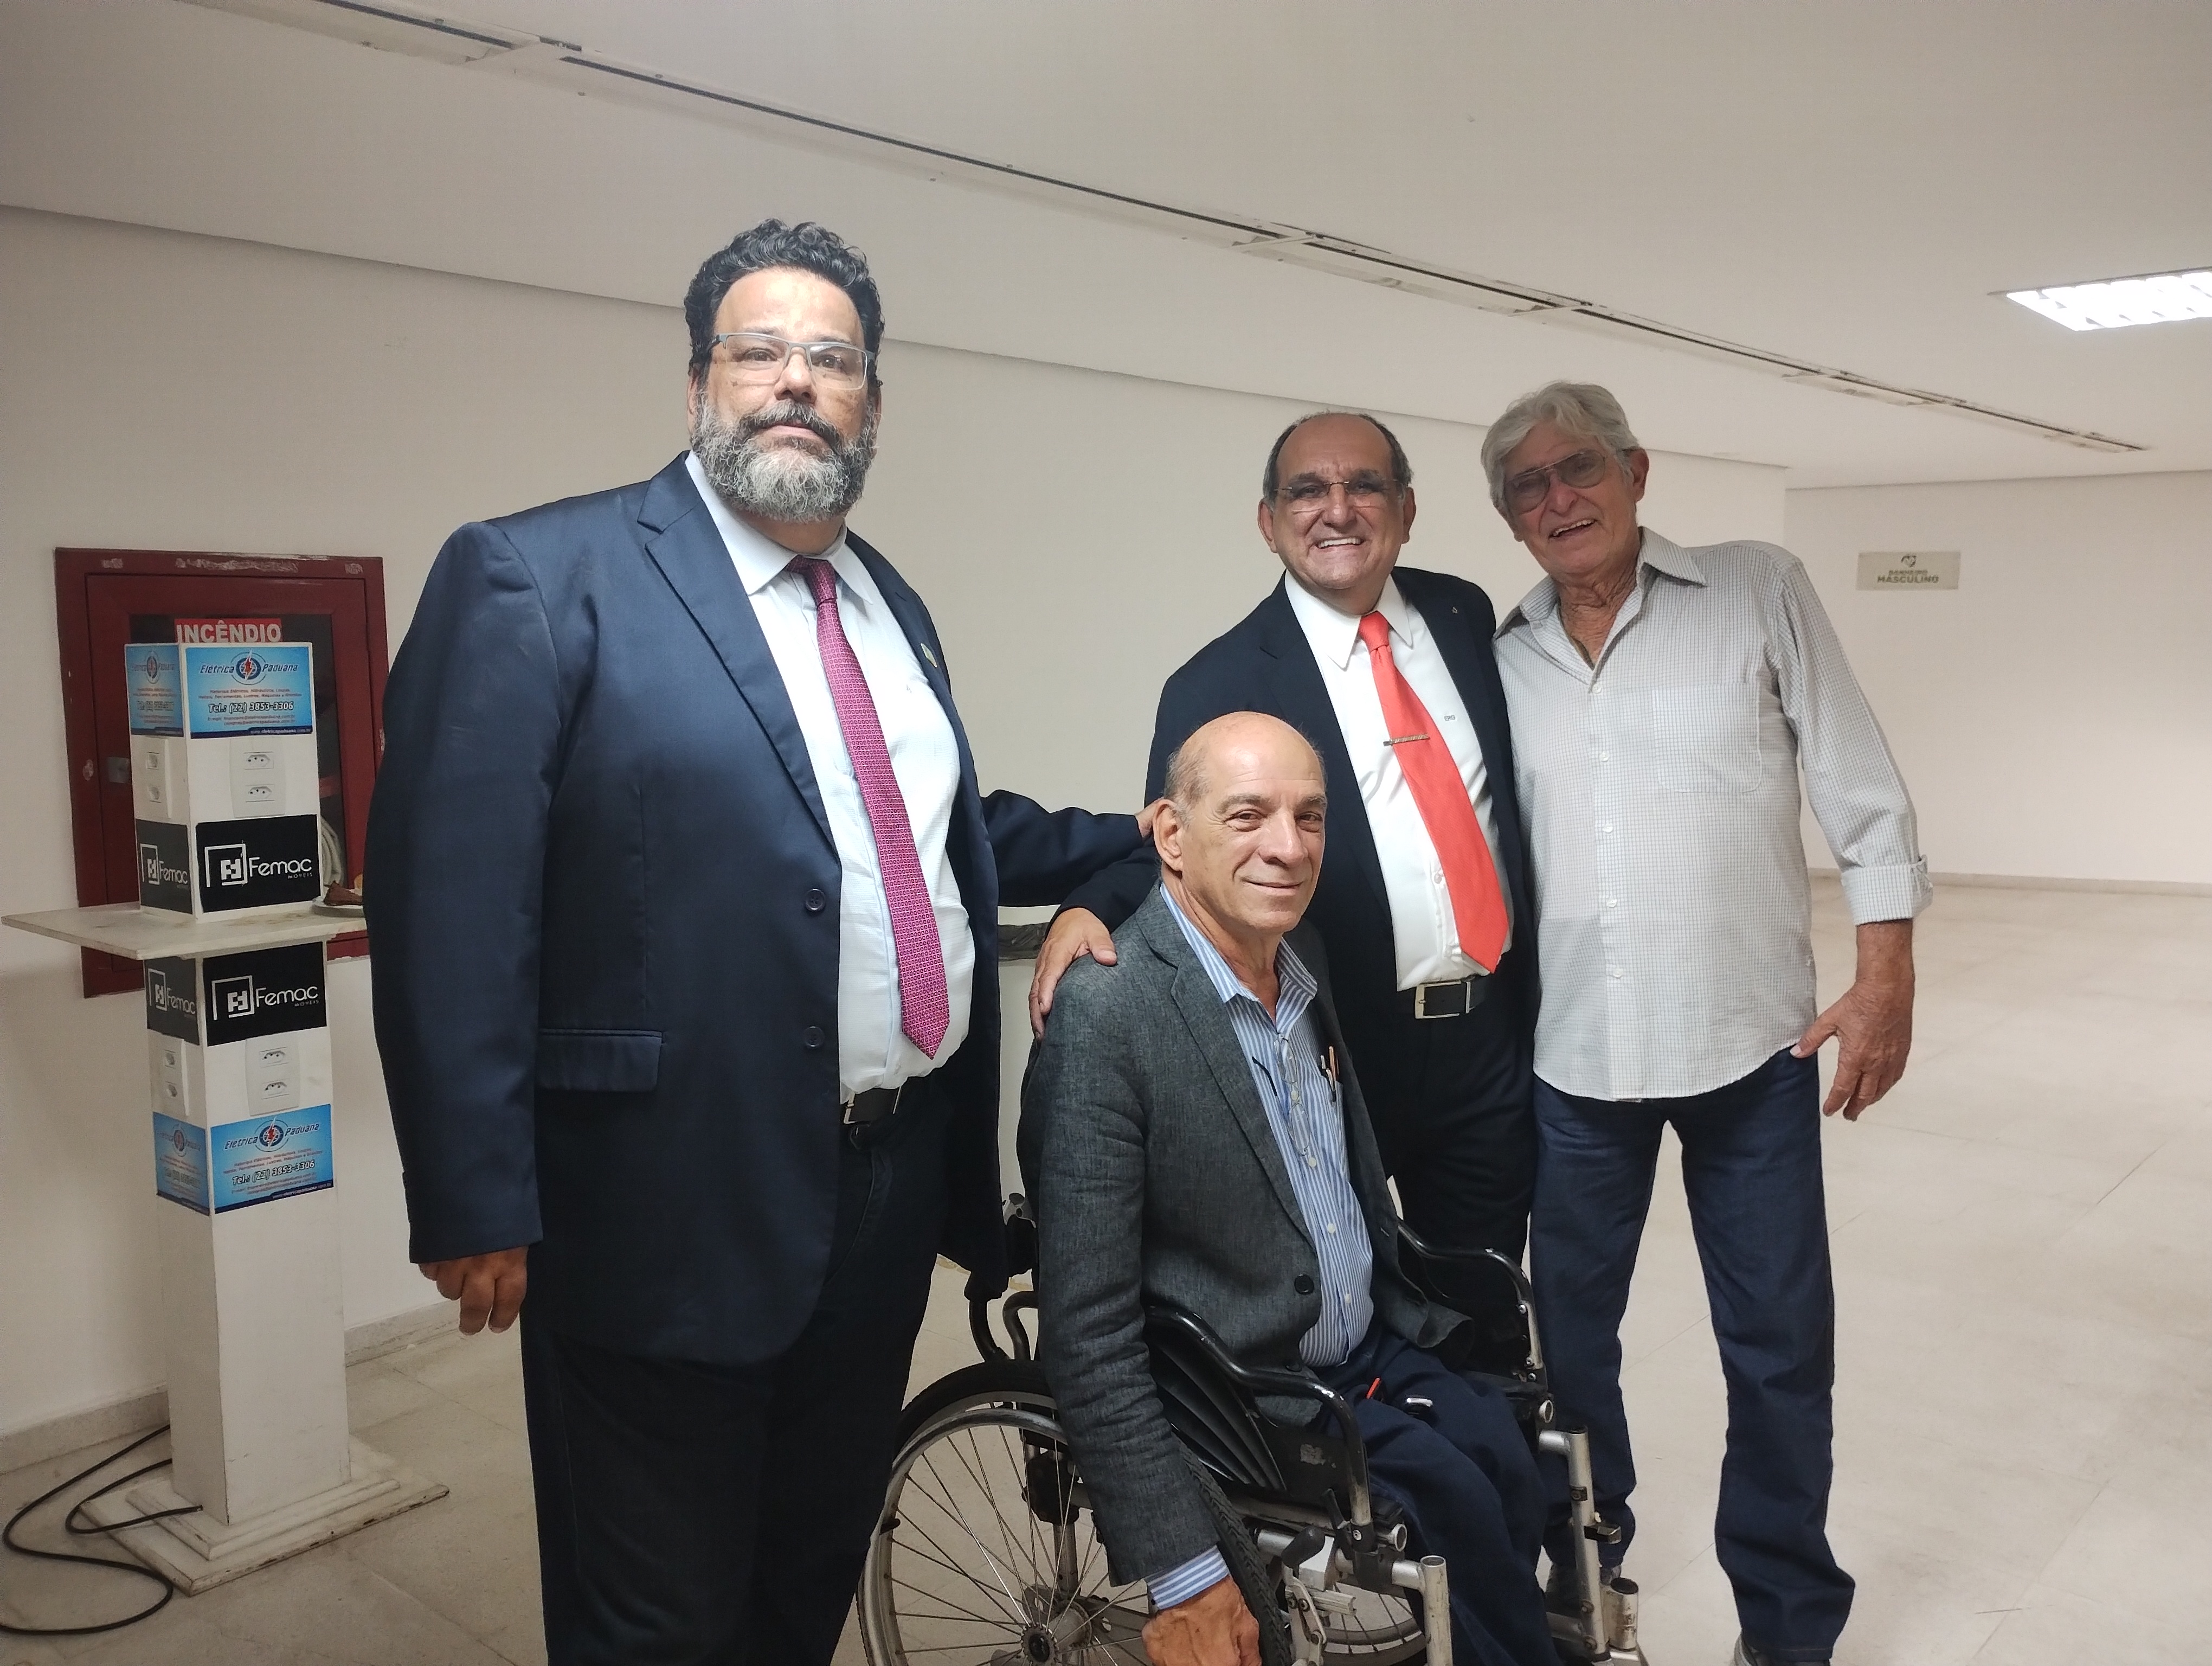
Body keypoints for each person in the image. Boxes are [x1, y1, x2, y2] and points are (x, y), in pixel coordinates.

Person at [365, 219, 1144, 1665]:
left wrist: (1135, 856)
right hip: (659, 1195)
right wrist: (472, 1189)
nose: (796, 380)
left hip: (887, 1184)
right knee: (658, 1616)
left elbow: (913, 832)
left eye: (831, 359)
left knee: (803, 1576)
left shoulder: (889, 602)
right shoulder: (538, 576)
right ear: (697, 386)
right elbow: (449, 901)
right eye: (761, 351)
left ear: (872, 404)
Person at [1485, 382, 1930, 1666]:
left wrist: (1886, 971)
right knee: (1567, 1356)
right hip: (1575, 1067)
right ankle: (1584, 1584)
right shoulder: (1500, 654)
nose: (1559, 499)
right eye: (1527, 486)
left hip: (1753, 1055)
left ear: (1635, 472)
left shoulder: (1756, 588)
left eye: (1579, 468)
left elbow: (1858, 780)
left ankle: (1786, 1629)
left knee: (1780, 1353)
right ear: (1511, 518)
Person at [1021, 711, 1557, 1666]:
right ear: (1171, 836)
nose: (1289, 846)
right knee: (1465, 1509)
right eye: (1248, 815)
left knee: (1512, 1461)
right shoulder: (1109, 1014)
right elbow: (1087, 1330)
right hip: (1246, 1392)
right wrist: (1185, 1572)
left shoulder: (1302, 955)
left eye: (1309, 816)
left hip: (1362, 1346)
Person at [1036, 412, 1538, 1264]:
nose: (1337, 509)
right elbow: (1180, 843)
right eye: (1307, 491)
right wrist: (1087, 904)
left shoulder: (1462, 615)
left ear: (1407, 510)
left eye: (1364, 485)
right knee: (1339, 1294)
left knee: (1482, 1302)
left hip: (1489, 1044)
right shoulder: (1218, 682)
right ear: (1269, 522)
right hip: (1333, 1046)